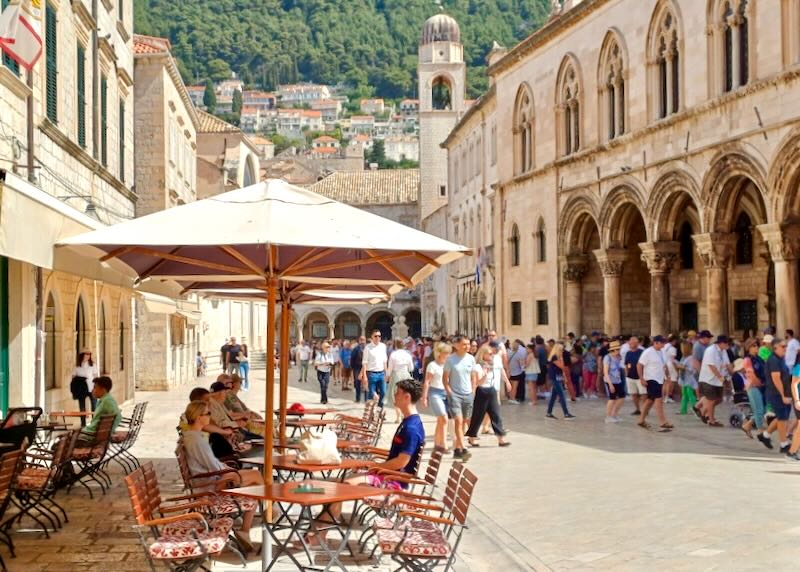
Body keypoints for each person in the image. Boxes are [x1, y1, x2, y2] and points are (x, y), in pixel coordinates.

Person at [182, 400, 263, 552]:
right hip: (211, 484)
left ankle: (246, 530)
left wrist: (226, 468)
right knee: (256, 477)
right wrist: (228, 470)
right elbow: (212, 466)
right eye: (208, 413)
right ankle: (268, 513)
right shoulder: (196, 440)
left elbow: (212, 463)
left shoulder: (195, 436)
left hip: (214, 478)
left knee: (254, 484)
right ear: (199, 417)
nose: (210, 416)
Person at [466, 345, 511, 447]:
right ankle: (472, 438)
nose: (492, 355)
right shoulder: (477, 367)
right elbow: (477, 383)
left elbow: (501, 370)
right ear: (483, 354)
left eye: (492, 353)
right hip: (481, 391)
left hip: (492, 390)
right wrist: (485, 375)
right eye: (489, 353)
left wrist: (507, 382)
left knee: (496, 415)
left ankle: (501, 439)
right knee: (477, 416)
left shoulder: (493, 364)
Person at [443, 335, 477, 460]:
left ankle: (457, 449)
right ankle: (463, 448)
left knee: (463, 423)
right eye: (464, 344)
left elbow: (473, 377)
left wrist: (473, 392)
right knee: (458, 421)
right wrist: (450, 392)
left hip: (468, 394)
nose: (467, 346)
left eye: (468, 344)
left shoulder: (471, 359)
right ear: (456, 345)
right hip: (455, 395)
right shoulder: (450, 360)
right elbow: (445, 378)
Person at [760, 338, 793, 453]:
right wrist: (783, 395)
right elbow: (776, 379)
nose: (785, 349)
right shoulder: (773, 360)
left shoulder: (781, 359)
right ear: (775, 347)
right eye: (783, 346)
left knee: (781, 417)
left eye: (786, 346)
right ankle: (784, 444)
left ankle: (765, 435)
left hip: (784, 393)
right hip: (776, 394)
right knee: (782, 418)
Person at [637, 335, 672, 431]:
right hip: (651, 379)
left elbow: (664, 365)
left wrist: (668, 375)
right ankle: (662, 422)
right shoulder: (648, 352)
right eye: (662, 342)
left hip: (660, 379)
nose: (664, 344)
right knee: (658, 400)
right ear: (656, 342)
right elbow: (639, 365)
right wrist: (641, 378)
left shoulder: (663, 352)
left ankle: (641, 420)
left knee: (650, 400)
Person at [422, 342, 451, 452]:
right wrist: (424, 397)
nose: (448, 355)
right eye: (446, 353)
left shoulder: (448, 365)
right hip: (435, 393)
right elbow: (427, 382)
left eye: (449, 353)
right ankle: (443, 445)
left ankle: (436, 443)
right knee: (444, 418)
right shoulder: (432, 365)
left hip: (446, 392)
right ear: (439, 353)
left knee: (440, 420)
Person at [698, 335, 732, 426]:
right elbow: (711, 365)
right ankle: (711, 420)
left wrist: (732, 373)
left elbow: (728, 363)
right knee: (711, 400)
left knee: (719, 399)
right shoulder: (711, 350)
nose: (727, 345)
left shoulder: (724, 351)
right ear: (720, 343)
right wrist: (719, 376)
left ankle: (703, 412)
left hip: (718, 381)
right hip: (708, 379)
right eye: (726, 343)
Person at [77, 376, 121, 443]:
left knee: (63, 440)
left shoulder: (106, 402)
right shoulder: (105, 400)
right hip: (91, 434)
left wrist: (109, 432)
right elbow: (118, 416)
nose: (92, 390)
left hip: (90, 436)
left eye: (95, 387)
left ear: (103, 389)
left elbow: (117, 416)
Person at [741, 339, 766, 439]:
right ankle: (760, 431)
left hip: (762, 386)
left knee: (763, 410)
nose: (757, 347)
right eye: (754, 345)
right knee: (759, 410)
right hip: (753, 387)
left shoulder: (759, 358)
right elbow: (751, 374)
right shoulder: (747, 360)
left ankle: (747, 425)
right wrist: (758, 383)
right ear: (748, 347)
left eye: (757, 345)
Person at [386, 338, 415, 423]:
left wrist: (387, 376)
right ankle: (405, 414)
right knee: (406, 396)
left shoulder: (393, 354)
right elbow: (411, 368)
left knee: (396, 396)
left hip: (396, 376)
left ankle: (398, 416)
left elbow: (390, 367)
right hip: (406, 375)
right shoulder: (408, 354)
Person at [72, 348, 100, 428]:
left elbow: (95, 376)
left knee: (94, 406)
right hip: (81, 388)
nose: (88, 355)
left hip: (91, 388)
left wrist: (97, 387)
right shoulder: (77, 366)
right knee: (82, 407)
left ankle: (94, 423)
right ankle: (83, 424)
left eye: (89, 354)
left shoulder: (93, 365)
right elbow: (73, 377)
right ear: (82, 355)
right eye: (86, 354)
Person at [545, 343, 575, 420]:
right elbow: (562, 366)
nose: (563, 351)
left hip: (558, 377)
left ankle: (549, 413)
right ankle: (566, 414)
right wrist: (561, 358)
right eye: (561, 350)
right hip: (555, 378)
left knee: (553, 397)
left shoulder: (557, 357)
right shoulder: (554, 357)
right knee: (562, 395)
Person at [360, 330, 388, 407]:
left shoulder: (383, 346)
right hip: (371, 373)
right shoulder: (367, 348)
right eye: (375, 336)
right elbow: (364, 362)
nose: (377, 338)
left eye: (379, 336)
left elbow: (384, 361)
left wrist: (387, 373)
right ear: (372, 337)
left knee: (383, 392)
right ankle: (369, 411)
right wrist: (364, 376)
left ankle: (379, 409)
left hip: (381, 373)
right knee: (371, 393)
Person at [603, 340, 625, 422]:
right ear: (613, 350)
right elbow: (605, 372)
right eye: (618, 349)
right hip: (610, 380)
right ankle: (608, 417)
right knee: (612, 399)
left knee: (622, 397)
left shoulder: (619, 357)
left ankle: (614, 414)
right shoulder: (607, 357)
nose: (619, 351)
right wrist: (610, 384)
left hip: (618, 380)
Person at [623, 337, 644, 416]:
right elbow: (626, 364)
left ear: (637, 343)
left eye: (633, 343)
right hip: (630, 377)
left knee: (643, 394)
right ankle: (637, 409)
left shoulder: (642, 352)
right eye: (630, 342)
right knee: (633, 394)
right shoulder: (628, 353)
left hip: (640, 377)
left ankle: (645, 409)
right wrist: (626, 373)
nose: (631, 344)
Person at [678, 341, 699, 415]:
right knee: (684, 395)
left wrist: (683, 367)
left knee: (690, 395)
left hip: (689, 380)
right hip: (684, 379)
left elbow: (691, 370)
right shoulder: (684, 357)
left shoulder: (690, 358)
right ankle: (683, 410)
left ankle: (696, 408)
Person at [507, 340, 527, 404]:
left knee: (510, 386)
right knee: (515, 387)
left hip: (510, 372)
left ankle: (510, 398)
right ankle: (513, 399)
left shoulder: (509, 353)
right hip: (517, 372)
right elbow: (521, 364)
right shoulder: (519, 355)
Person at [662, 335, 679, 404]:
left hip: (664, 364)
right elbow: (673, 360)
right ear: (674, 340)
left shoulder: (664, 346)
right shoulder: (672, 348)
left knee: (666, 381)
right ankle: (668, 397)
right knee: (671, 381)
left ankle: (663, 397)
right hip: (670, 365)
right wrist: (677, 368)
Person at [350, 336, 367, 403]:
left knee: (366, 383)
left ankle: (366, 399)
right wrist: (353, 368)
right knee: (357, 382)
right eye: (361, 340)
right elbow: (352, 359)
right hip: (357, 367)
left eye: (363, 340)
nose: (362, 341)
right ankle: (358, 398)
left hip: (366, 367)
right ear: (359, 341)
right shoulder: (355, 349)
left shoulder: (367, 348)